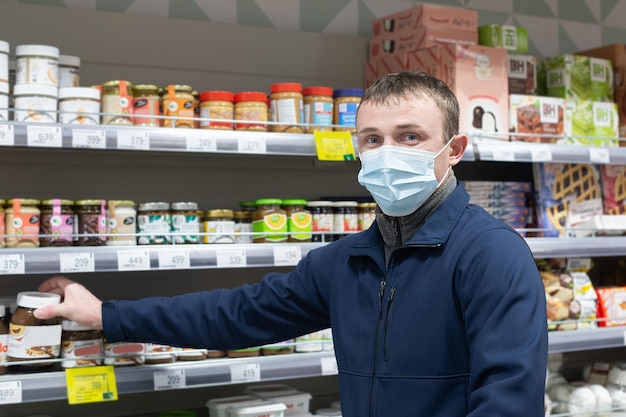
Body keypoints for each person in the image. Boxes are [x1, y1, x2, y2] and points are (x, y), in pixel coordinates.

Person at [35, 71, 548, 417]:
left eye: (410, 136)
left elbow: (509, 401)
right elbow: (232, 315)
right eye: (372, 139)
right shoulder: (346, 262)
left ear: (454, 149)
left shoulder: (490, 254)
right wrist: (106, 314)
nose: (387, 152)